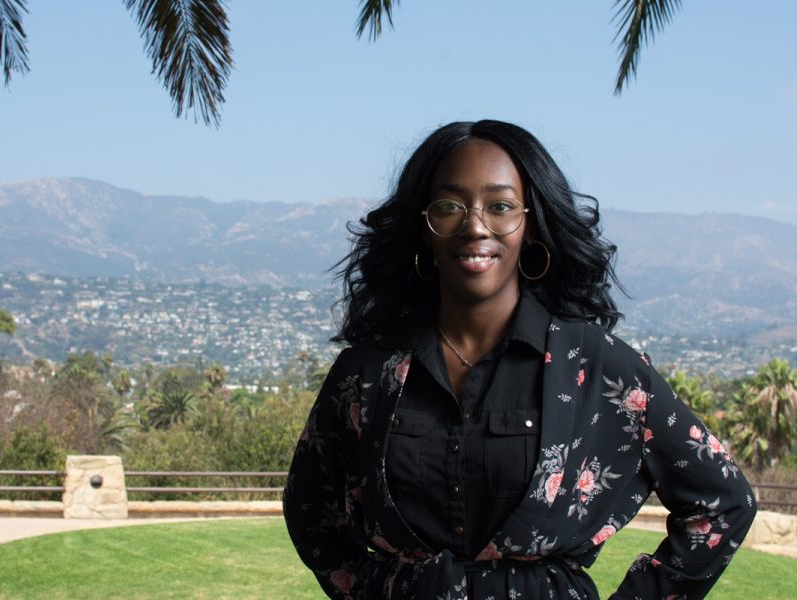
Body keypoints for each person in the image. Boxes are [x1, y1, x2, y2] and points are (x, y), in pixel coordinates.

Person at [282, 120, 756, 599]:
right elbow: (309, 507)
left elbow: (724, 500)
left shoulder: (596, 365)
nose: (474, 225)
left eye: (501, 206)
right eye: (449, 206)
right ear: (424, 226)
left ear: (530, 225)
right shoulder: (366, 373)